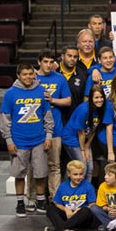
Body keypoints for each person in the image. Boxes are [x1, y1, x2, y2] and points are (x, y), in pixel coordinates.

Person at [0, 63, 53, 217]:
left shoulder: (41, 91)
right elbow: (5, 119)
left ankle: (41, 200)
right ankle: (20, 203)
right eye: (24, 74)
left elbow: (47, 116)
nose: (28, 77)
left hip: (39, 140)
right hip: (18, 142)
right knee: (19, 174)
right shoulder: (10, 94)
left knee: (40, 172)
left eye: (30, 73)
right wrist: (9, 141)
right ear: (18, 75)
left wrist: (48, 136)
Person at [35, 50, 71, 201]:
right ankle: (34, 198)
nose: (48, 65)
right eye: (45, 62)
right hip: (35, 130)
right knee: (34, 167)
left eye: (51, 62)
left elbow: (68, 101)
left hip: (56, 129)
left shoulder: (60, 78)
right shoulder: (32, 78)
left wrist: (52, 101)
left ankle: (54, 198)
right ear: (39, 62)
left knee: (54, 165)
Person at [62, 84, 113, 183]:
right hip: (72, 138)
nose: (99, 100)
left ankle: (86, 192)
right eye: (96, 98)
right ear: (91, 98)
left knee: (90, 168)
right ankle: (67, 190)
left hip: (85, 139)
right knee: (82, 167)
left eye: (101, 97)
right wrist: (82, 150)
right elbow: (80, 132)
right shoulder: (84, 110)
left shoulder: (103, 108)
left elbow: (94, 128)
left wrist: (87, 145)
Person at [44, 160, 97, 231]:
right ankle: (65, 230)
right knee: (51, 209)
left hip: (82, 216)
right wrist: (66, 209)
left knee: (86, 211)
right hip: (68, 215)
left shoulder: (88, 186)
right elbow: (57, 203)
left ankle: (58, 230)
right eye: (75, 174)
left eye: (81, 174)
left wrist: (78, 210)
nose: (78, 177)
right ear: (69, 174)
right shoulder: (63, 186)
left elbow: (92, 205)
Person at [56, 45, 88, 124]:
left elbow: (85, 98)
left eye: (75, 57)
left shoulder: (83, 75)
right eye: (69, 56)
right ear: (62, 56)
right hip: (56, 119)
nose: (72, 59)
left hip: (75, 120)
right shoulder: (54, 72)